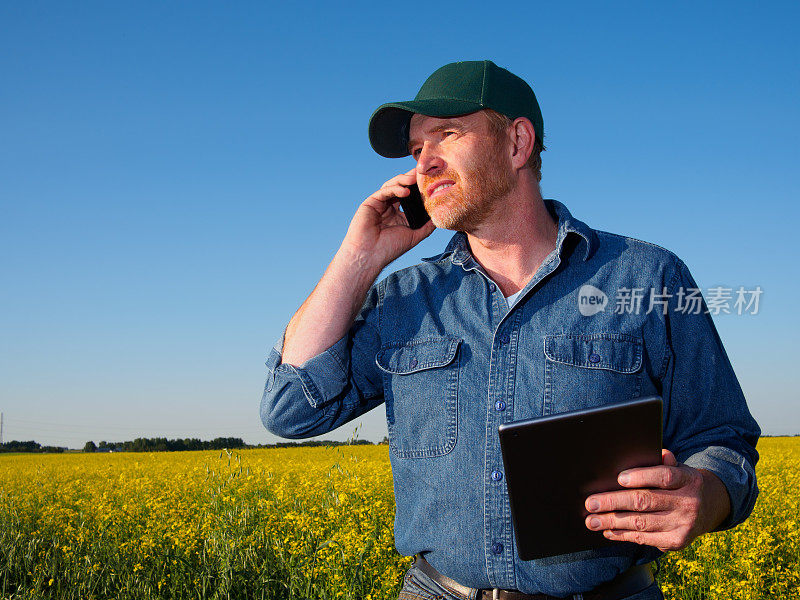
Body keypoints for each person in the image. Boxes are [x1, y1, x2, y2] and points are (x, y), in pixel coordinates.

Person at [260, 60, 760, 600]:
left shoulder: (647, 276)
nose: (424, 163)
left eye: (446, 135)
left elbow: (722, 437)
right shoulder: (404, 299)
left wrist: (706, 496)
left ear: (518, 142)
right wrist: (360, 257)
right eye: (415, 150)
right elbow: (291, 407)